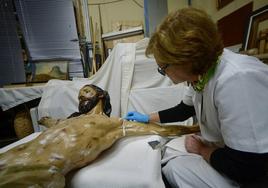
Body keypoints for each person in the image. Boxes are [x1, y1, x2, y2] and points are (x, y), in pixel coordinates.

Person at [124, 7, 268, 187]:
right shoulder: (200, 75)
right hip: (231, 154)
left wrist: (202, 150)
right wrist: (146, 117)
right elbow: (184, 109)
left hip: (253, 173)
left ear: (185, 59)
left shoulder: (236, 79)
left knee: (174, 168)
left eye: (164, 67)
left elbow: (247, 166)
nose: (163, 73)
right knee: (167, 153)